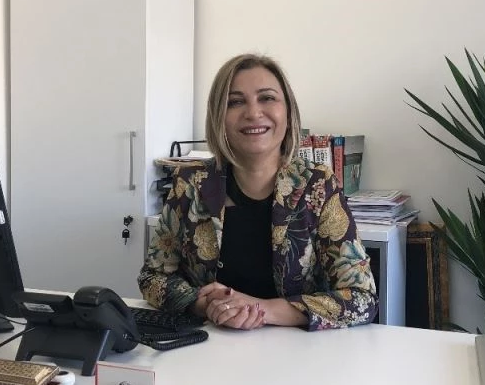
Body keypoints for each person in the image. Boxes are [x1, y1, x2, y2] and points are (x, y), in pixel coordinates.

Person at [138, 53, 377, 330]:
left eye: (267, 98)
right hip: (210, 344)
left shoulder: (318, 185)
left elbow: (362, 299)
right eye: (235, 102)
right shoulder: (190, 183)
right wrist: (206, 305)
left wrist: (260, 309)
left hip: (298, 349)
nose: (253, 113)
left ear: (288, 111)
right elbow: (152, 278)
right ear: (218, 116)